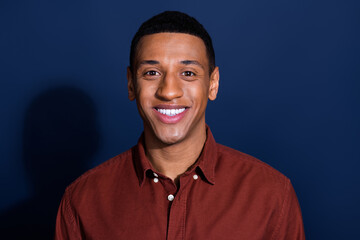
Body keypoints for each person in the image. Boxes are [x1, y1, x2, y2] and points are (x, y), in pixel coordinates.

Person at [55, 11, 305, 239]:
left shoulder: (272, 195)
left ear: (213, 83)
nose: (169, 91)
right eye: (152, 73)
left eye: (188, 73)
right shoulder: (81, 201)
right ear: (131, 84)